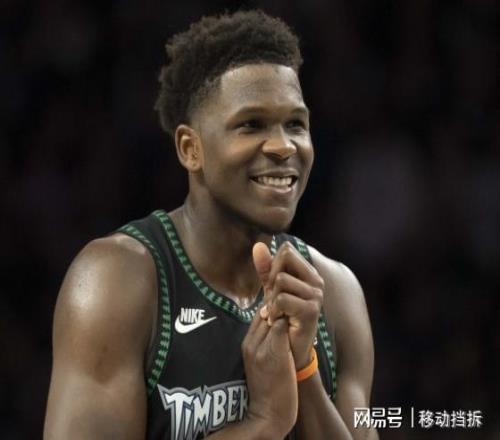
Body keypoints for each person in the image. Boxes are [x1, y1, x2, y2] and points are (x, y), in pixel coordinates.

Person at [44, 10, 377, 440]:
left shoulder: (336, 293)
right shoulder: (116, 281)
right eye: (251, 125)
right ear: (190, 148)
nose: (283, 146)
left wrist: (304, 371)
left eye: (296, 123)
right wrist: (263, 423)